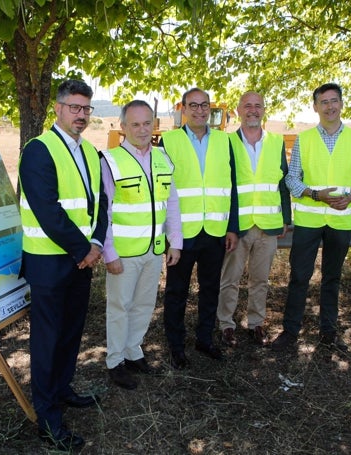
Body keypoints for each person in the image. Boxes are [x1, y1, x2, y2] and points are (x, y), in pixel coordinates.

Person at [18, 79, 107, 451]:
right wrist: (83, 249)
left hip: (80, 262)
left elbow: (100, 202)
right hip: (50, 264)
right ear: (58, 108)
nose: (81, 115)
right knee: (47, 342)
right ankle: (48, 419)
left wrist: (98, 242)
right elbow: (48, 211)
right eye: (75, 107)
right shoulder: (38, 150)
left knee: (71, 334)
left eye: (86, 108)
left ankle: (63, 389)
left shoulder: (88, 151)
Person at [271, 82, 351, 352]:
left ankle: (328, 333)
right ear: (315, 107)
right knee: (299, 276)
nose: (329, 106)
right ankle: (290, 332)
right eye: (324, 102)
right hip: (309, 221)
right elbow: (292, 178)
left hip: (341, 221)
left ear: (341, 104)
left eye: (334, 101)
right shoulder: (304, 139)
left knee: (332, 278)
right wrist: (315, 195)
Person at [100, 100, 183, 390]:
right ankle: (115, 361)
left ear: (155, 124)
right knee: (120, 306)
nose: (142, 129)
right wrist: (108, 252)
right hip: (123, 252)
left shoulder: (163, 158)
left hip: (154, 249)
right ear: (123, 127)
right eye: (135, 124)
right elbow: (104, 212)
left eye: (147, 123)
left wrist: (176, 242)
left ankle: (134, 351)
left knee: (145, 304)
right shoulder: (110, 160)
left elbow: (171, 203)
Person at [160, 88, 239, 369]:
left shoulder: (224, 141)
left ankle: (204, 340)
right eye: (193, 105)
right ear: (183, 108)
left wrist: (232, 227)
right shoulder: (168, 141)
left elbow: (233, 186)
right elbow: (162, 190)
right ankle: (176, 346)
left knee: (210, 289)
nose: (199, 110)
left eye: (204, 105)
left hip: (216, 231)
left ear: (211, 109)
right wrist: (167, 234)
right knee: (176, 291)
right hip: (182, 233)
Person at [217, 91, 292, 347]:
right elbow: (223, 186)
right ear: (238, 110)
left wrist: (286, 217)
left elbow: (283, 183)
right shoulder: (226, 143)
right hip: (238, 227)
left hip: (268, 225)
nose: (253, 110)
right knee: (230, 279)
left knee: (260, 280)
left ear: (263, 110)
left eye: (258, 106)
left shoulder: (276, 142)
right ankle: (226, 324)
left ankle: (256, 323)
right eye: (247, 106)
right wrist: (229, 226)